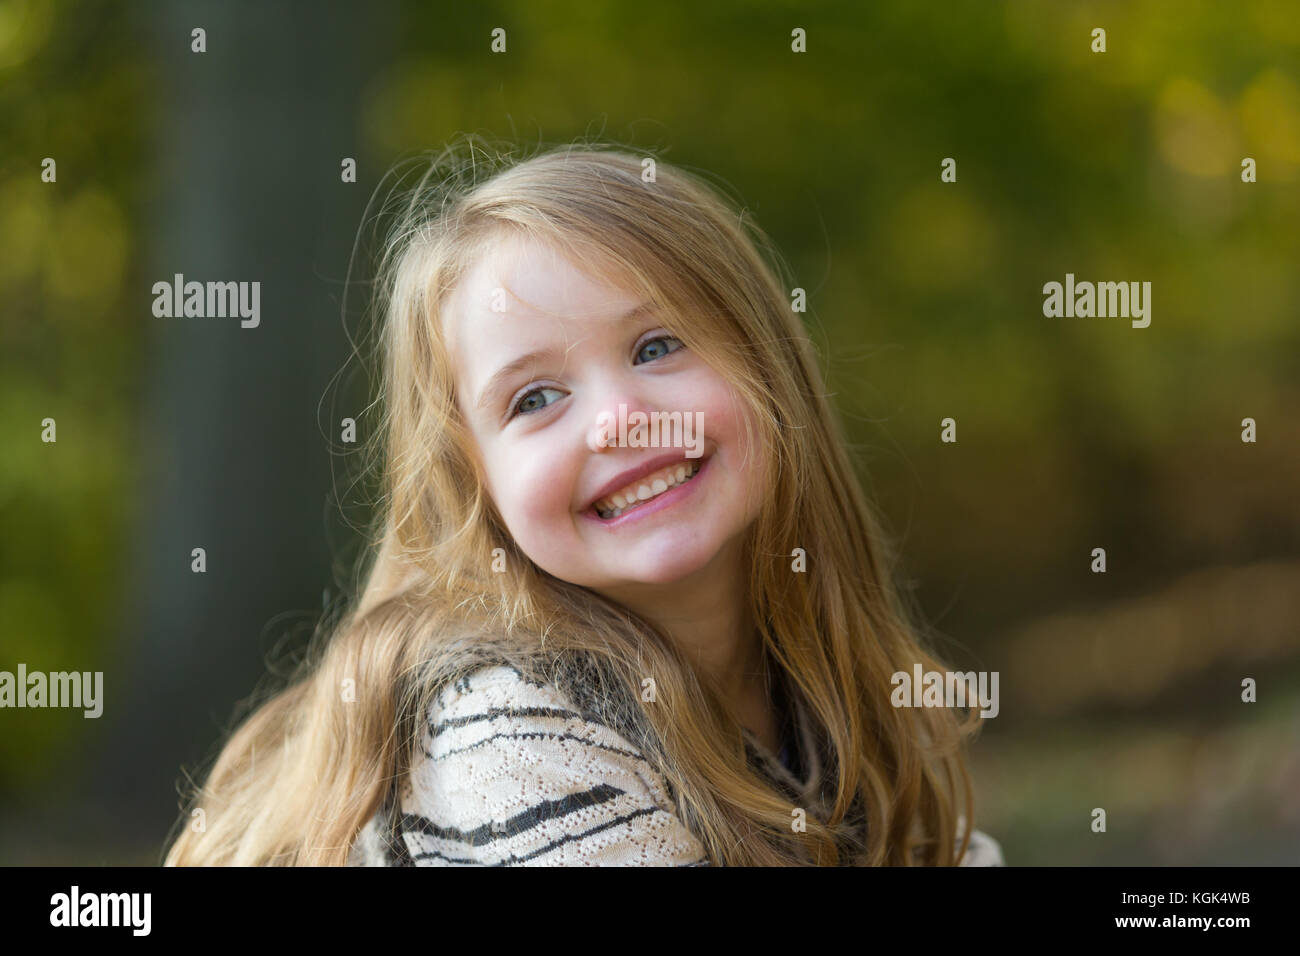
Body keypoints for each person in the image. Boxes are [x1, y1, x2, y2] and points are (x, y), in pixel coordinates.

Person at [164, 135, 1004, 867]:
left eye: (657, 344)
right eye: (534, 399)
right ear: (474, 486)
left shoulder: (832, 697)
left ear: (768, 362)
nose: (619, 422)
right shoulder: (506, 731)